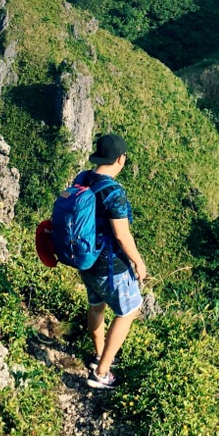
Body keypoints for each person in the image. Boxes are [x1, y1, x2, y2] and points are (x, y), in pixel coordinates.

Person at [67, 133, 148, 390]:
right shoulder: (113, 192)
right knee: (129, 311)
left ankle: (98, 354)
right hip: (110, 266)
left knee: (97, 304)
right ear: (121, 159)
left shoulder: (83, 178)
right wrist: (138, 262)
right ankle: (102, 372)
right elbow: (122, 236)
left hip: (85, 260)